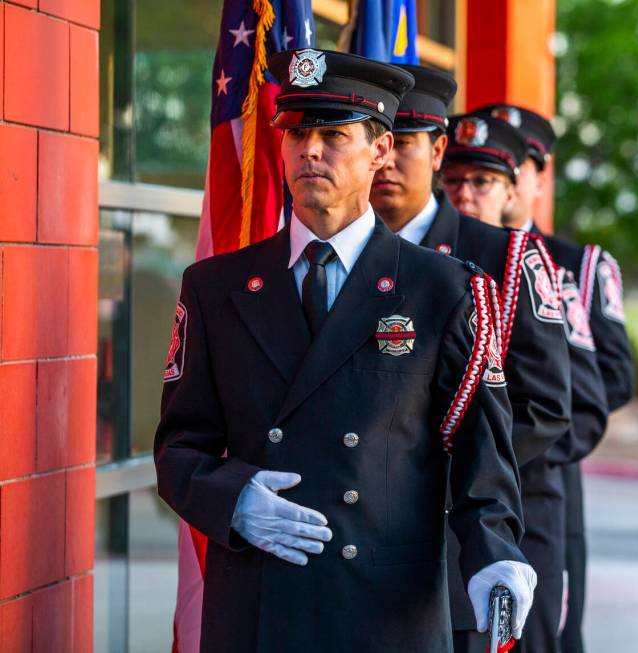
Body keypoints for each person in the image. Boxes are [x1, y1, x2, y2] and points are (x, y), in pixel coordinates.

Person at [154, 49, 535, 653]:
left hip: (383, 613)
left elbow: (480, 455)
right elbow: (179, 448)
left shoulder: (446, 290)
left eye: (334, 134)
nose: (310, 150)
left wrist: (495, 557)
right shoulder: (215, 286)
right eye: (298, 132)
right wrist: (232, 500)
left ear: (380, 150)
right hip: (258, 605)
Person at [369, 68, 572, 653]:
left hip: (460, 544)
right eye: (374, 138)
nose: (384, 159)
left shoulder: (507, 257)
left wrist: (431, 475)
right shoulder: (341, 255)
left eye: (401, 142)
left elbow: (546, 408)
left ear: (435, 151)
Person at [481, 103, 633, 653]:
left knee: (545, 630)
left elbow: (611, 378)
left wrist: (516, 437)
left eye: (523, 162)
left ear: (539, 175)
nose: (507, 175)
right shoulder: (446, 255)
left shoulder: (576, 265)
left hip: (545, 471)